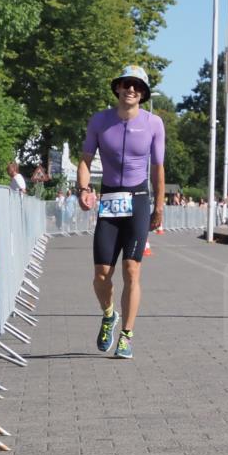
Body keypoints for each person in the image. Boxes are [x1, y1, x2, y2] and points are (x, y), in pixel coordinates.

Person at [78, 65, 165, 359]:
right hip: (110, 199)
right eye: (127, 84)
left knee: (132, 269)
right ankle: (109, 314)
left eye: (138, 86)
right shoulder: (100, 121)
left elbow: (157, 168)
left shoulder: (154, 124)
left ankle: (127, 335)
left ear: (143, 94)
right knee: (102, 275)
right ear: (117, 88)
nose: (131, 89)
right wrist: (83, 189)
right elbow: (86, 159)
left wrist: (160, 205)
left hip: (138, 199)